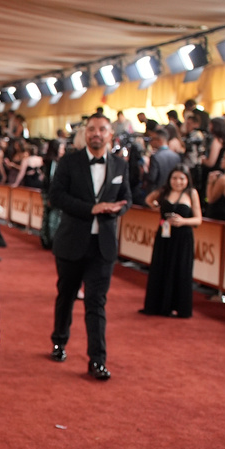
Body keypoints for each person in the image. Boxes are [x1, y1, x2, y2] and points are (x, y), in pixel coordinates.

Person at [48, 112, 132, 380]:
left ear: (110, 134)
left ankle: (97, 360)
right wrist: (91, 208)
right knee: (66, 295)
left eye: (102, 129)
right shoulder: (69, 161)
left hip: (103, 245)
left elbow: (126, 198)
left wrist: (117, 209)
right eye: (92, 129)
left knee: (97, 303)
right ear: (85, 133)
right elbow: (56, 196)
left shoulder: (120, 165)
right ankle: (59, 341)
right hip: (72, 241)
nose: (97, 133)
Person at [141, 166, 202, 317]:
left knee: (180, 270)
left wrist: (183, 221)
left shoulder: (191, 193)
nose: (178, 182)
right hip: (164, 236)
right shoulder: (164, 191)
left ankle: (178, 306)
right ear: (169, 179)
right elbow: (148, 199)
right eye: (174, 178)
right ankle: (158, 305)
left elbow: (198, 219)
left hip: (183, 238)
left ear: (187, 179)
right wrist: (157, 208)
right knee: (160, 267)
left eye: (182, 178)